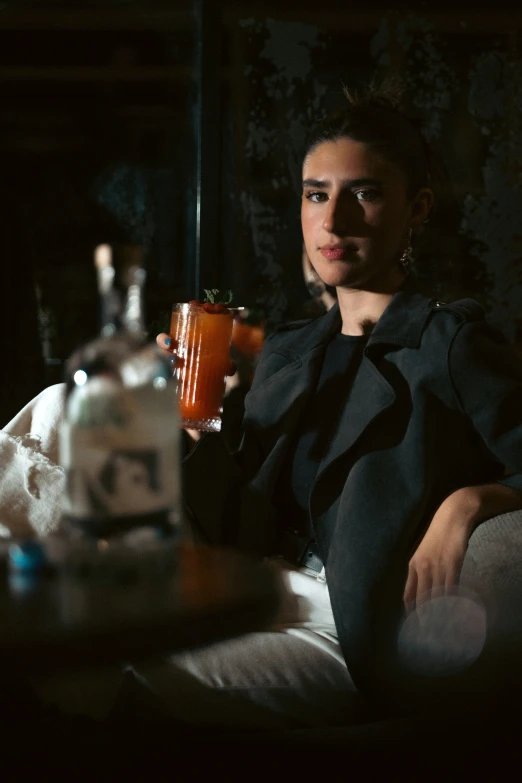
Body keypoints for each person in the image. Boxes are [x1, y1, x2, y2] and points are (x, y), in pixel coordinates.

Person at [2, 83, 522, 730]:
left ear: (415, 208)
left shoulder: (450, 345)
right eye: (315, 194)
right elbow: (231, 505)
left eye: (364, 192)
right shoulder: (288, 349)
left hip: (337, 617)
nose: (333, 222)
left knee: (113, 667)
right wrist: (197, 421)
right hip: (242, 577)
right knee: (66, 405)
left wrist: (465, 505)